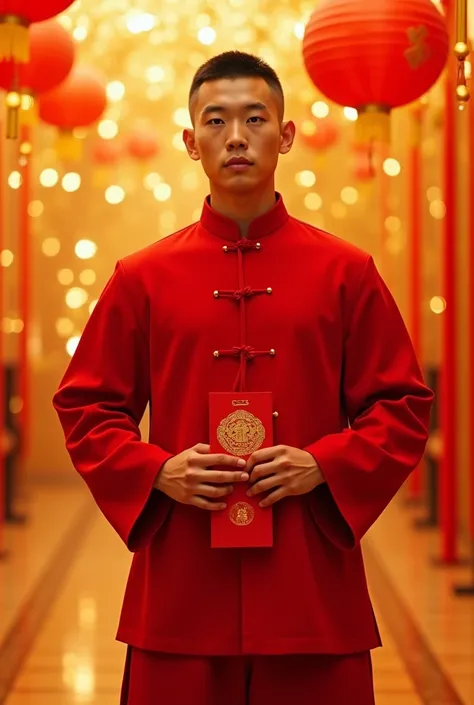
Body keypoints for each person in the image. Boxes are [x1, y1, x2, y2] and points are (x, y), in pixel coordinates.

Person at [53, 51, 434, 705]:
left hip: (312, 587)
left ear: (285, 136)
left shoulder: (347, 272)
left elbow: (401, 404)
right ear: (190, 140)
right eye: (216, 120)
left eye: (255, 118)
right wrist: (155, 470)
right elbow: (87, 404)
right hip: (180, 588)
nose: (236, 137)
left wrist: (323, 462)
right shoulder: (141, 277)